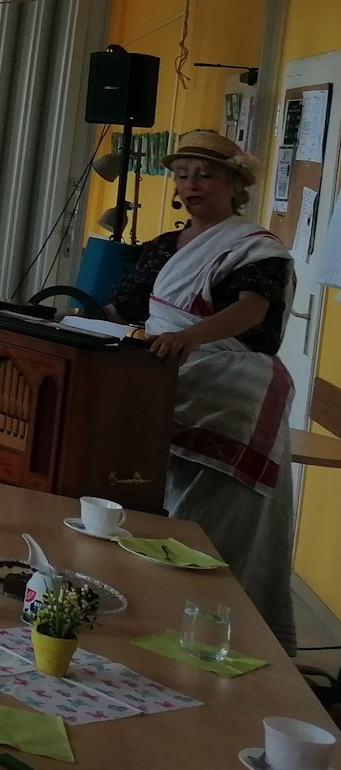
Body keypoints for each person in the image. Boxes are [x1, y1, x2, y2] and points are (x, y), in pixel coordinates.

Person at [110, 129, 298, 652]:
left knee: (215, 524)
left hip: (231, 396)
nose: (191, 184)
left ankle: (224, 636)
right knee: (157, 512)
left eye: (206, 175)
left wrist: (189, 338)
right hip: (164, 389)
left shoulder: (258, 249)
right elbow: (123, 311)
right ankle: (155, 623)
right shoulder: (162, 248)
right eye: (182, 174)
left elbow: (251, 310)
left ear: (235, 184)